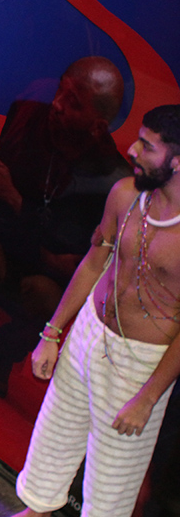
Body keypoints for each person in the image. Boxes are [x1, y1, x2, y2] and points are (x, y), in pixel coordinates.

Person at [11, 104, 180, 517]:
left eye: (147, 146)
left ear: (177, 161)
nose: (132, 150)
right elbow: (92, 263)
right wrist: (52, 333)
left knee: (112, 479)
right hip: (89, 333)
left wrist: (147, 398)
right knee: (53, 437)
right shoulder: (125, 194)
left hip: (140, 363)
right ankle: (36, 512)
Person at [0, 57, 131, 396]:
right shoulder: (26, 117)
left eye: (73, 103)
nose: (57, 104)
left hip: (42, 273)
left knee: (48, 297)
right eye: (60, 91)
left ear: (97, 126)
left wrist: (16, 201)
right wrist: (44, 244)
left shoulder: (110, 177)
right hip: (5, 244)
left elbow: (73, 252)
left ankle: (3, 357)